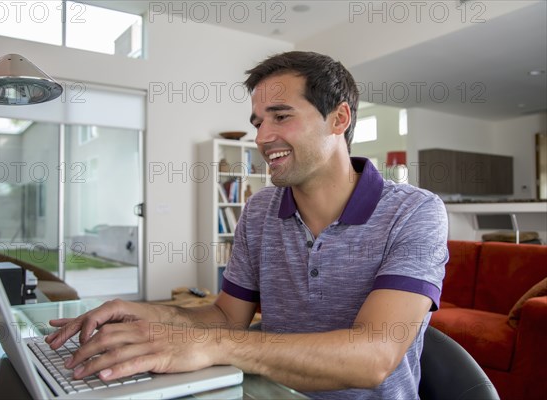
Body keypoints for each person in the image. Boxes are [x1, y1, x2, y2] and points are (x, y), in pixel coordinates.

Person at [46, 51, 448, 399]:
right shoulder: (259, 211)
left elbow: (373, 356)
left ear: (339, 118)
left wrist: (212, 346)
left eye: (281, 116)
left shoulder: (415, 212)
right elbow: (225, 318)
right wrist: (140, 313)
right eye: (258, 122)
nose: (262, 136)